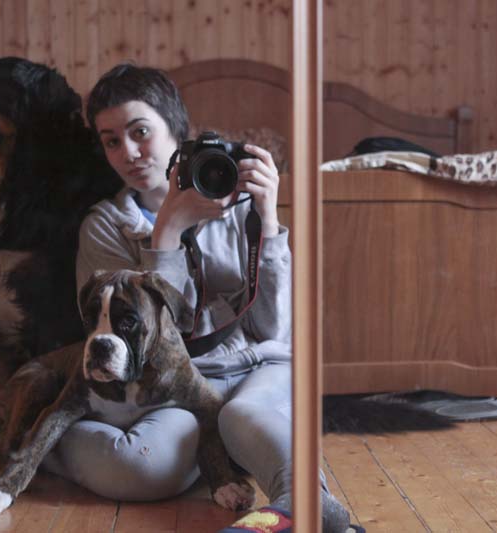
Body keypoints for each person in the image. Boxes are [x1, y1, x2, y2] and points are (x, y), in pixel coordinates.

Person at [38, 63, 353, 533]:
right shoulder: (104, 226)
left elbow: (273, 329)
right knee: (142, 466)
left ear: (177, 131)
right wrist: (166, 231)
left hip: (259, 368)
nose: (129, 153)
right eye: (111, 141)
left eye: (140, 132)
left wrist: (268, 222)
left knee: (243, 414)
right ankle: (26, 435)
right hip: (177, 385)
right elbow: (154, 344)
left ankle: (305, 508)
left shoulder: (236, 203)